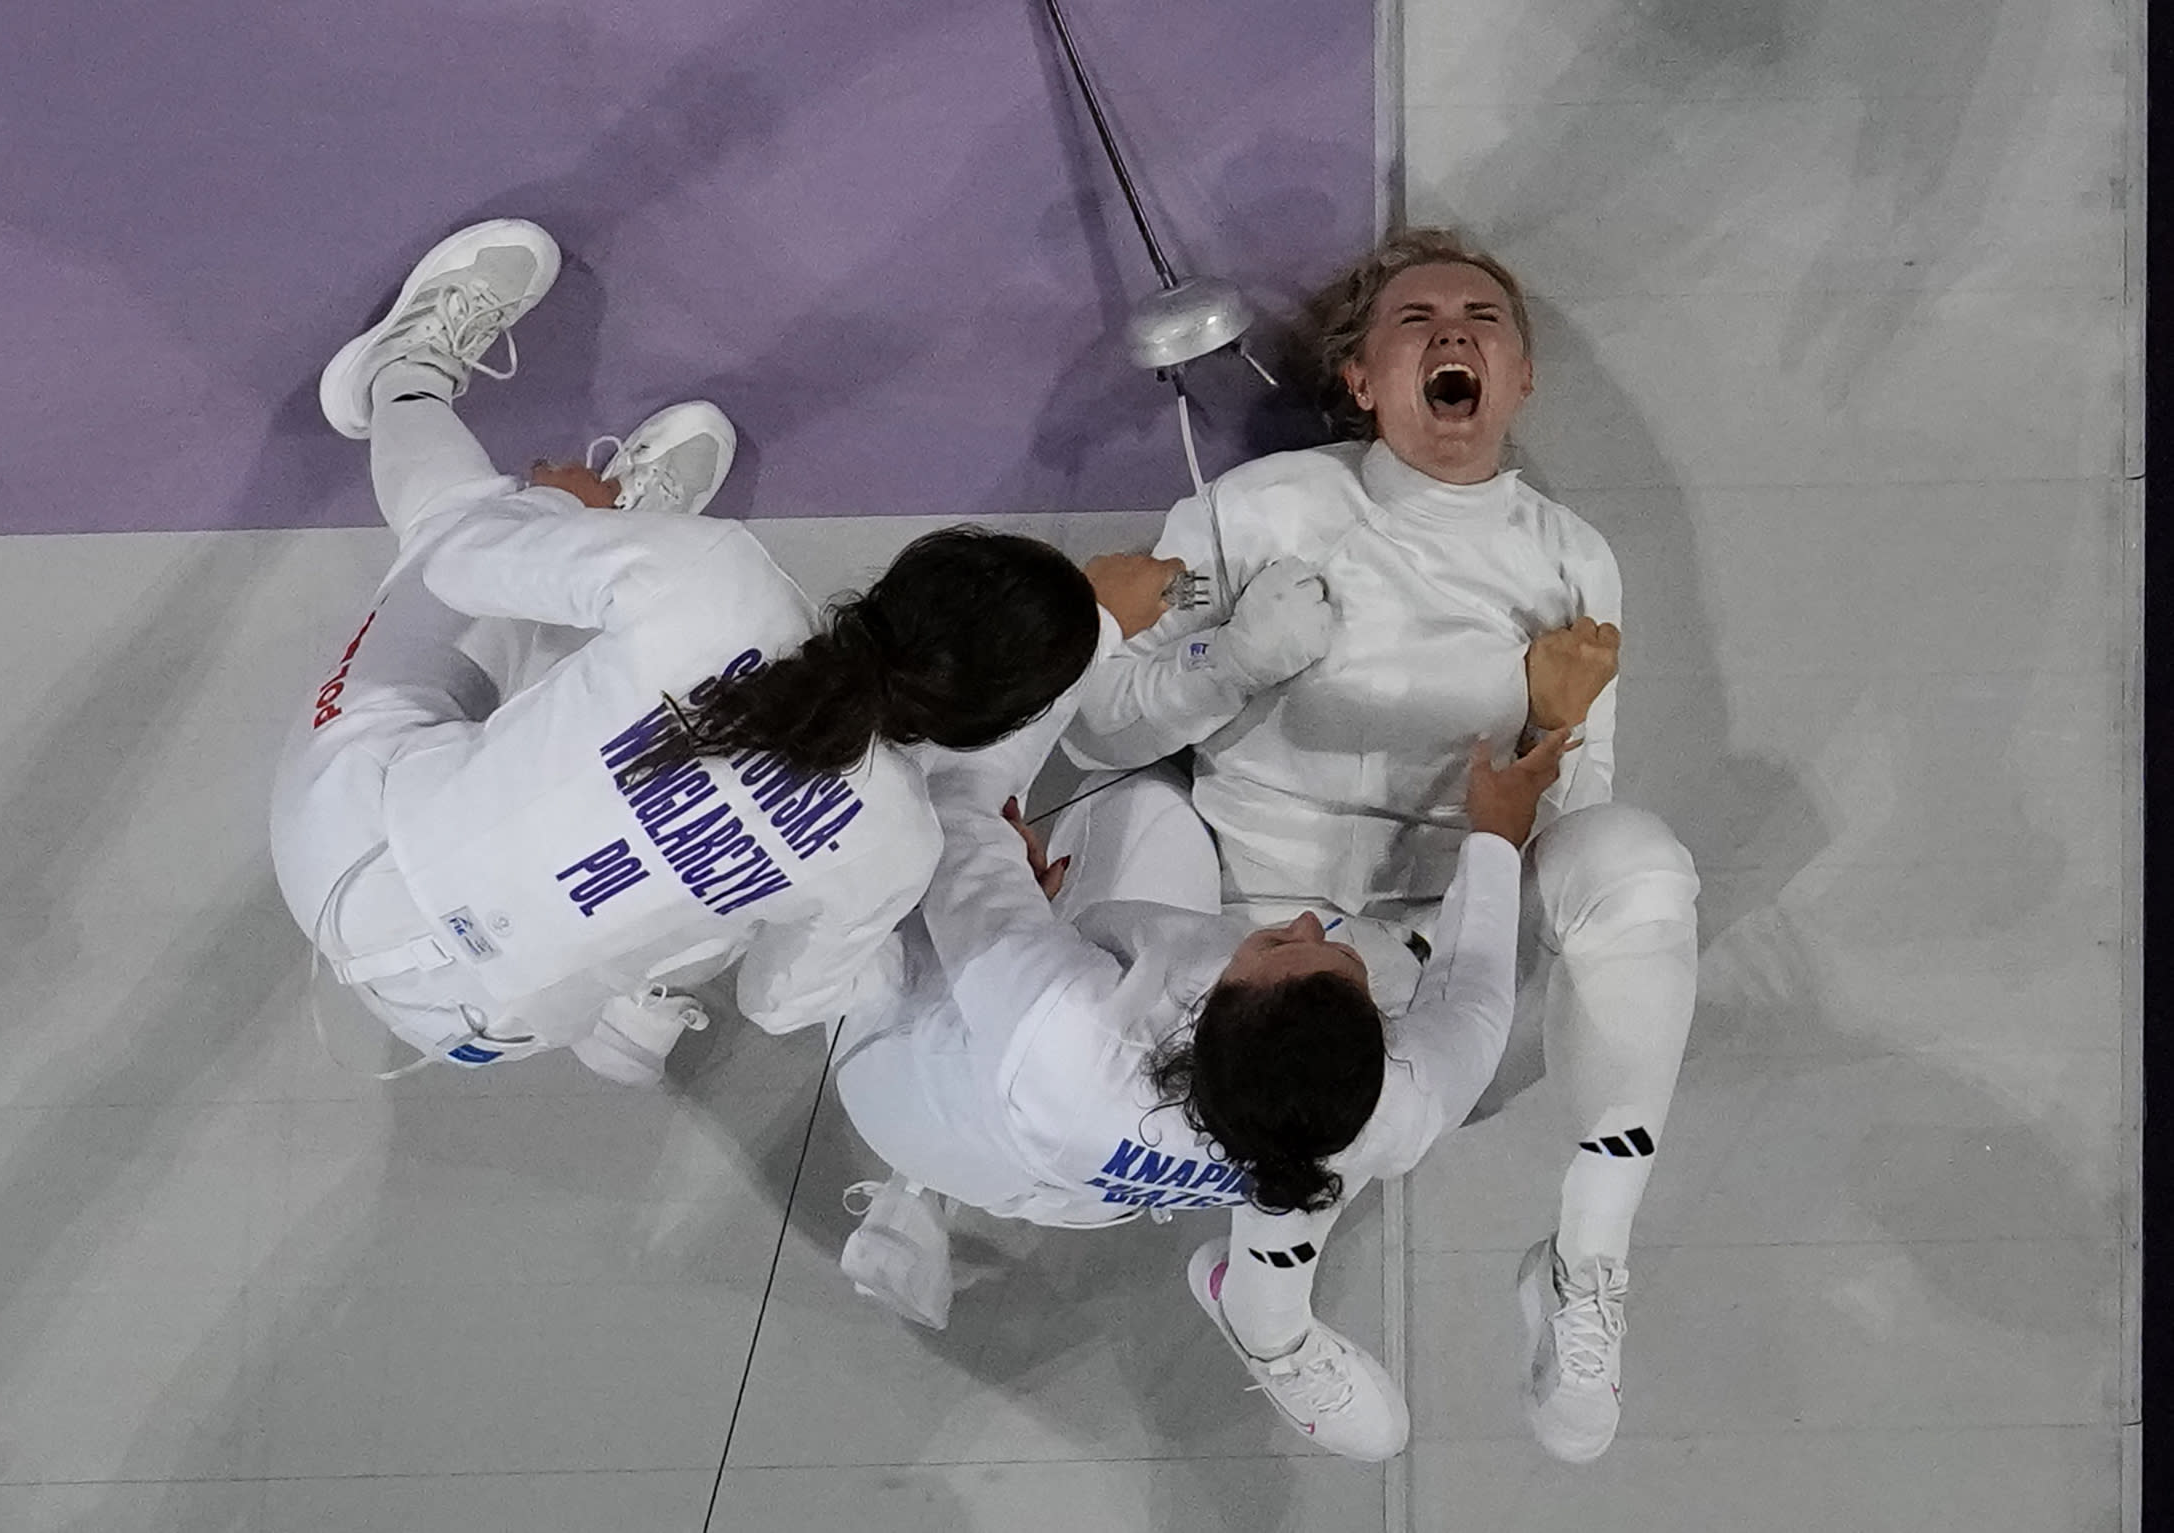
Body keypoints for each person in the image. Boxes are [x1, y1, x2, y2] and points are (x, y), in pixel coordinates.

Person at [1061, 227, 1702, 1463]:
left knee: (1637, 859)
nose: (1453, 333)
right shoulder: (1256, 509)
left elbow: (1579, 809)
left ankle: (1584, 1263)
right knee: (1129, 827)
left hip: (1436, 917)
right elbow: (1098, 730)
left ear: (1518, 380)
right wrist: (1238, 655)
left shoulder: (1571, 558)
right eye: (1415, 320)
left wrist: (1554, 738)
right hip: (1232, 911)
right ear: (1359, 380)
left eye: (1483, 319)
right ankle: (1263, 1307)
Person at [269, 218, 1149, 1084]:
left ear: (907, 571)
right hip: (477, 1030)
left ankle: (403, 371)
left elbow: (461, 563)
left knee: (460, 531)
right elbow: (776, 1001)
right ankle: (611, 551)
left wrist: (552, 512)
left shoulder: (722, 581)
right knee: (728, 894)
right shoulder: (897, 850)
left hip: (345, 852)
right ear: (984, 723)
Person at [828, 630, 1601, 1461]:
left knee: (1018, 834)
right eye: (1334, 960)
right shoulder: (1390, 1107)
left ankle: (914, 1190)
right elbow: (1474, 998)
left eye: (1276, 948)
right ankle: (1264, 1320)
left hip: (906, 1087)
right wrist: (1495, 837)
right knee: (1166, 829)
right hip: (1087, 1188)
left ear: (1202, 1017)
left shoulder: (1068, 1029)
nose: (1303, 921)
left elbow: (960, 802)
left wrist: (1088, 629)